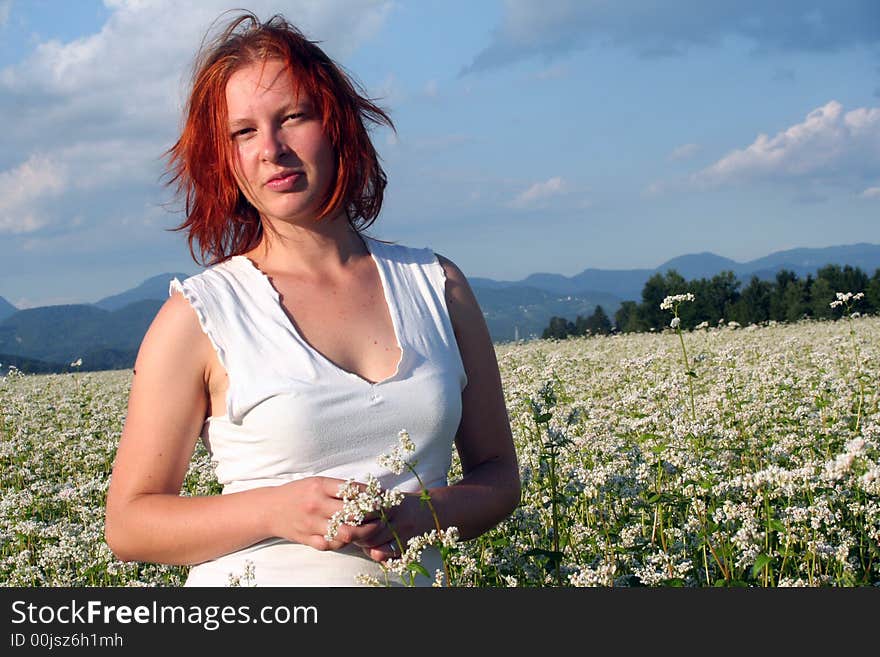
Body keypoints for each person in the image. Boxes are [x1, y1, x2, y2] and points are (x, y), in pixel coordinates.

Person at [104, 11, 520, 587]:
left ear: (337, 125)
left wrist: (420, 516)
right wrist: (275, 509)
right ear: (224, 158)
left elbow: (498, 474)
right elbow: (129, 524)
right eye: (243, 132)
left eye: (292, 117)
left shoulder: (438, 284)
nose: (271, 148)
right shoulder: (200, 315)